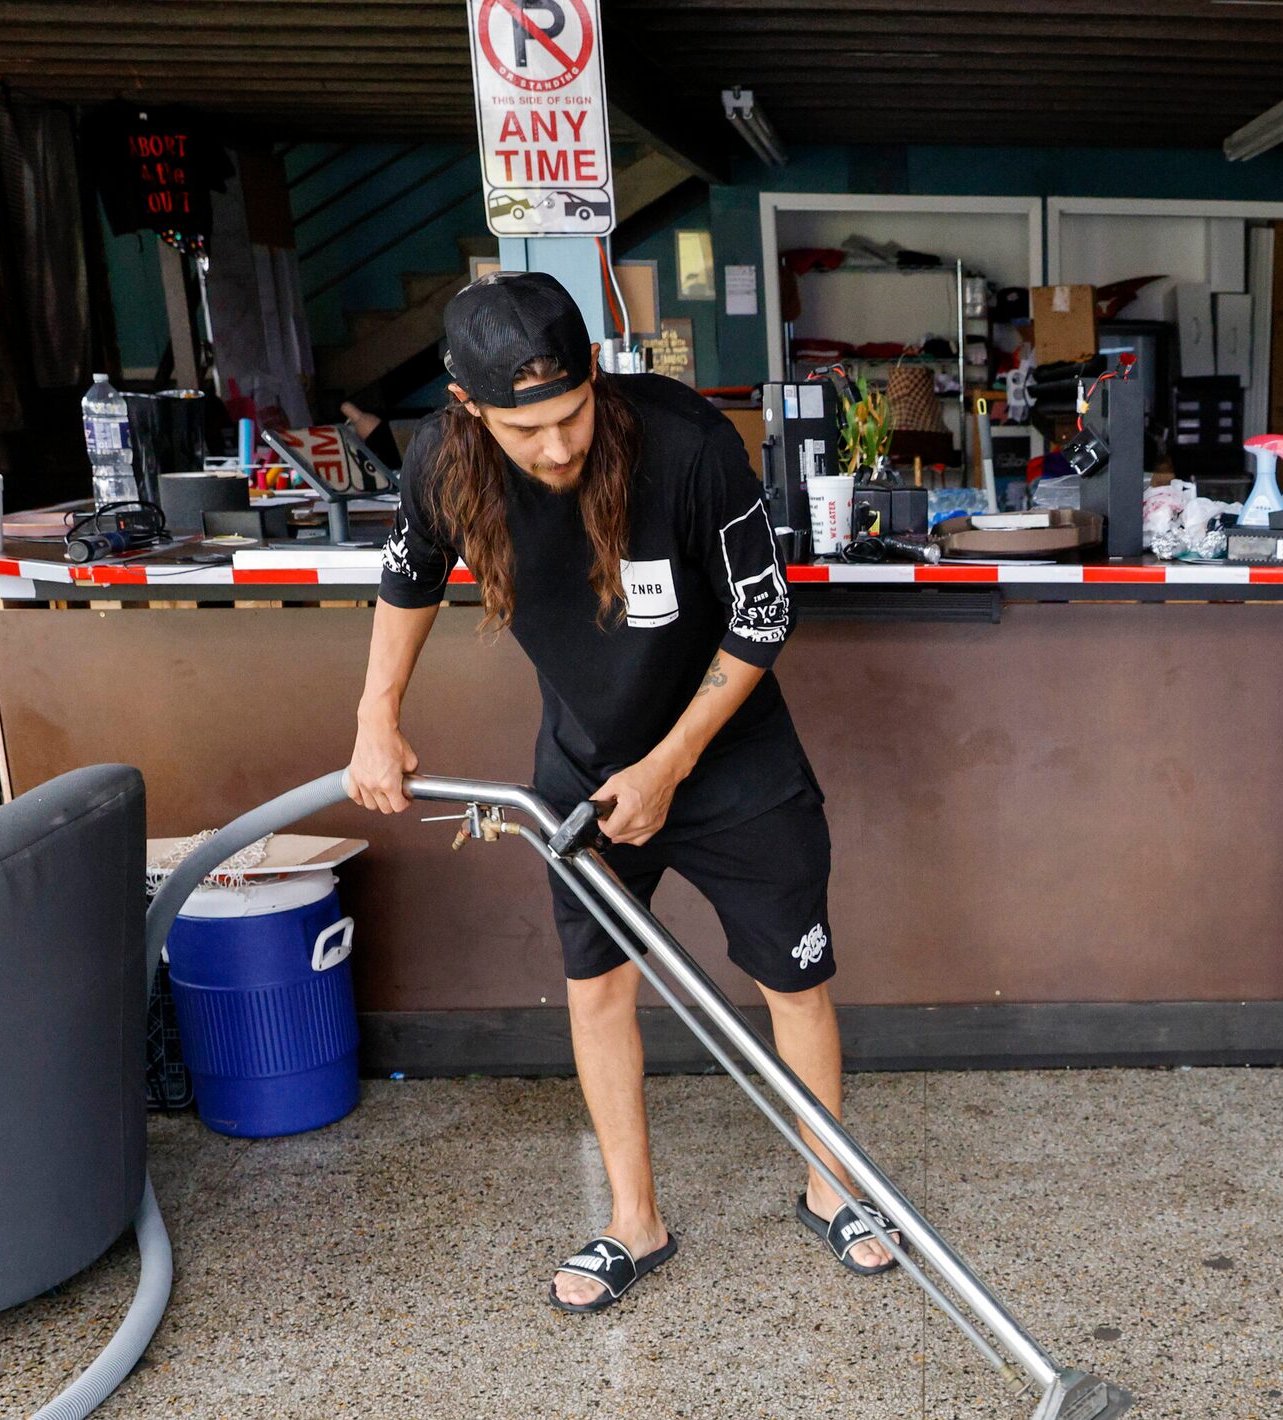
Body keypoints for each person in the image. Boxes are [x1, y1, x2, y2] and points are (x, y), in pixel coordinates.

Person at [347, 272, 905, 1312]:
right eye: (526, 430)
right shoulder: (442, 460)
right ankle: (631, 1222)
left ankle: (832, 1191)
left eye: (569, 415)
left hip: (731, 760)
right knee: (598, 984)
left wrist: (672, 762)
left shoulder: (686, 443)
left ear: (595, 373)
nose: (556, 447)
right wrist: (377, 715)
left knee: (793, 980)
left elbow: (762, 616)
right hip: (582, 765)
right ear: (468, 408)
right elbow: (409, 576)